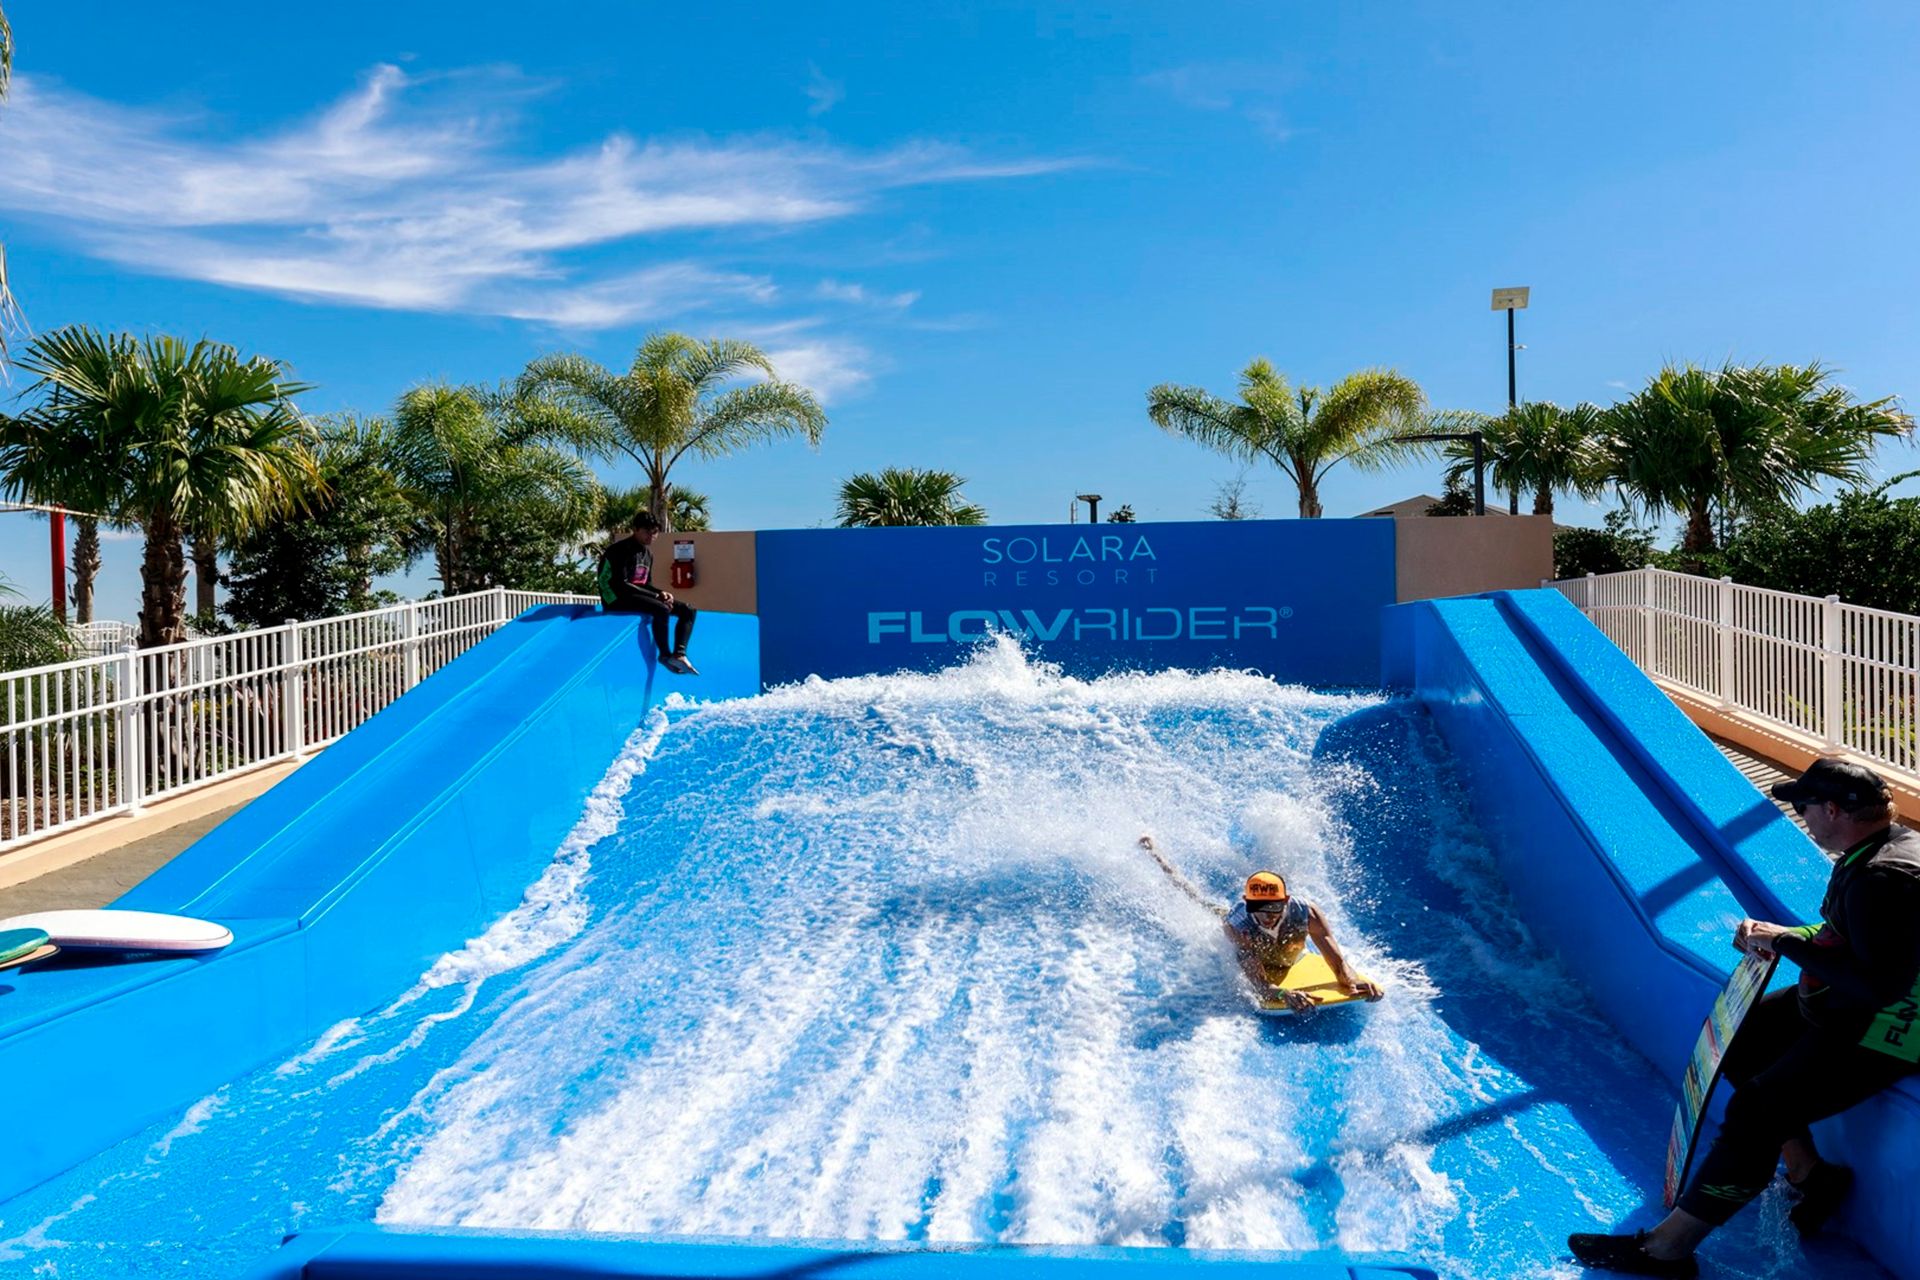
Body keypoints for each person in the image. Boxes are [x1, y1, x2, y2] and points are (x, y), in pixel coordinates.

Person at [1568, 758, 1920, 1278]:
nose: (1802, 818)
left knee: (1758, 1111)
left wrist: (1785, 943)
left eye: (1805, 808)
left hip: (1892, 1028)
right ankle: (1809, 1173)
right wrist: (1782, 935)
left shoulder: (1882, 879)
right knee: (1740, 1042)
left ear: (1832, 810)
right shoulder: (1884, 847)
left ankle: (1667, 1250)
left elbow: (1879, 985)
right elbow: (1859, 941)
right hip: (1857, 1002)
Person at [1139, 836, 1383, 1011]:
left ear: (1285, 901)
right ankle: (1158, 858)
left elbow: (1338, 964)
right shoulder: (1238, 926)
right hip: (1255, 955)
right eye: (1258, 908)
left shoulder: (1307, 913)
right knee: (1198, 899)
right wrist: (1282, 993)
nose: (1267, 916)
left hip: (1287, 954)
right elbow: (1259, 985)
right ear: (1247, 903)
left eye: (1273, 908)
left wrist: (1352, 981)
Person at [598, 511, 698, 674]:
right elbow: (621, 584)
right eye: (646, 532)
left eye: (655, 532)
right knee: (661, 608)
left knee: (687, 610)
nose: (651, 536)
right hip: (614, 597)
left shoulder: (647, 554)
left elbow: (645, 584)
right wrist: (655, 596)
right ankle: (664, 655)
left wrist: (661, 592)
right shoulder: (620, 550)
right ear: (635, 529)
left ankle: (679, 654)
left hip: (633, 595)